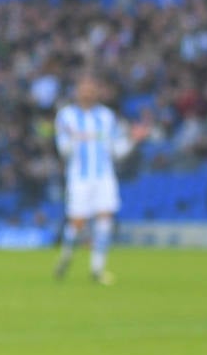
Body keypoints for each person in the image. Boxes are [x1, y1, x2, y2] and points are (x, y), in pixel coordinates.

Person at [52, 74, 146, 285]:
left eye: (91, 89)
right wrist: (75, 138)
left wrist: (133, 139)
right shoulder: (66, 116)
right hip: (79, 177)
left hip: (104, 177)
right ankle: (66, 255)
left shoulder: (107, 117)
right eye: (83, 88)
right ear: (77, 92)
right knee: (77, 223)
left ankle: (97, 269)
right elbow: (63, 150)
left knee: (105, 218)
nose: (87, 92)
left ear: (97, 92)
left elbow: (117, 150)